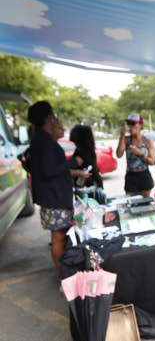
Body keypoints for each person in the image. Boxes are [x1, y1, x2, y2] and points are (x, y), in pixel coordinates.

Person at [27, 101, 84, 273]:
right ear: (49, 118)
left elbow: (30, 165)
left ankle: (65, 271)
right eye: (54, 117)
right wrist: (73, 162)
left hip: (52, 196)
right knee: (59, 237)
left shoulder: (38, 139)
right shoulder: (45, 141)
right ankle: (64, 275)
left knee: (62, 235)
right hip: (54, 198)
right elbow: (49, 170)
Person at [116, 113, 155, 198]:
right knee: (130, 202)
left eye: (133, 124)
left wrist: (140, 154)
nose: (130, 126)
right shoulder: (126, 140)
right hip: (131, 176)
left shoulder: (147, 141)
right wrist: (122, 136)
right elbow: (119, 154)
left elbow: (152, 162)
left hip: (144, 175)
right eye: (128, 124)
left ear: (140, 125)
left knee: (145, 203)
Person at [69, 124, 103, 189]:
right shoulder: (85, 150)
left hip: (88, 187)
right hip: (91, 184)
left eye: (73, 131)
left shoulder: (82, 152)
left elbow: (86, 172)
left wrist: (81, 187)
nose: (71, 133)